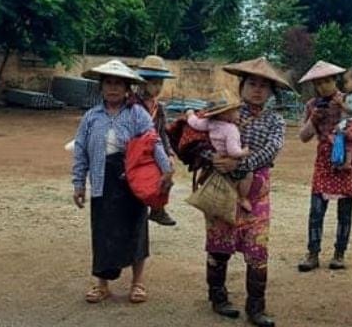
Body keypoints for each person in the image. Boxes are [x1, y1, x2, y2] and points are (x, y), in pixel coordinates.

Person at [72, 59, 174, 305]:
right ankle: (102, 285)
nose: (113, 88)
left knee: (136, 229)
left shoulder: (137, 114)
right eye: (108, 83)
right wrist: (78, 183)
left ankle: (137, 283)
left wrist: (166, 170)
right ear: (101, 86)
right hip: (101, 180)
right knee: (103, 231)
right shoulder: (91, 117)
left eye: (119, 83)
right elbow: (80, 150)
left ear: (128, 87)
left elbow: (154, 142)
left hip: (132, 180)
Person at [204, 57, 289, 327]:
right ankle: (218, 298)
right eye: (252, 83)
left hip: (257, 191)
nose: (257, 90)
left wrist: (239, 164)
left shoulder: (275, 120)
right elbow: (198, 139)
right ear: (241, 86)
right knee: (219, 244)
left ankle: (256, 307)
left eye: (264, 86)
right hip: (222, 187)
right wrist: (211, 157)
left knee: (257, 248)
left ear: (271, 93)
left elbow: (271, 150)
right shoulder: (223, 113)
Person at [296, 60, 352, 272]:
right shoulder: (311, 106)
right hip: (324, 158)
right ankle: (313, 253)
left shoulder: (350, 100)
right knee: (316, 209)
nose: (323, 86)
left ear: (335, 80)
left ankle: (339, 254)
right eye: (318, 83)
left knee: (345, 211)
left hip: (347, 158)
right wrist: (313, 120)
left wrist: (350, 136)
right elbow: (303, 136)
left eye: (327, 81)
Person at [186, 91, 254, 212]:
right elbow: (233, 151)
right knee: (248, 174)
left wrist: (190, 114)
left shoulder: (210, 123)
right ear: (226, 114)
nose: (239, 114)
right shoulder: (230, 129)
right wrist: (244, 152)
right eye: (236, 111)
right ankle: (243, 198)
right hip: (229, 160)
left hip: (216, 160)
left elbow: (194, 123)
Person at [135, 54, 178, 226]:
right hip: (136, 150)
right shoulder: (132, 104)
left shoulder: (159, 107)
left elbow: (163, 133)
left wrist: (169, 153)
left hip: (156, 149)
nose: (158, 87)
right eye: (154, 83)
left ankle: (158, 209)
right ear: (142, 83)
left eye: (160, 83)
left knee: (166, 177)